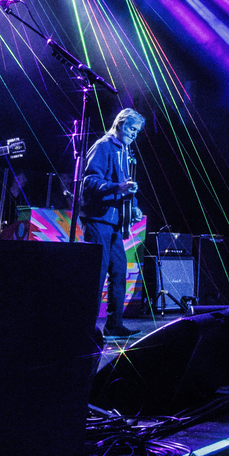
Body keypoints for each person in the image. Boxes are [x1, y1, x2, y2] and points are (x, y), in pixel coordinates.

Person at [82, 108, 145, 337]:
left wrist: (134, 208)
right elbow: (89, 181)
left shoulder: (124, 151)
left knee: (119, 272)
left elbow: (127, 185)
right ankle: (86, 327)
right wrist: (117, 188)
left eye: (137, 131)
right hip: (98, 219)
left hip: (116, 222)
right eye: (131, 129)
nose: (134, 134)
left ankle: (114, 325)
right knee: (97, 274)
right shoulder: (103, 146)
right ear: (119, 124)